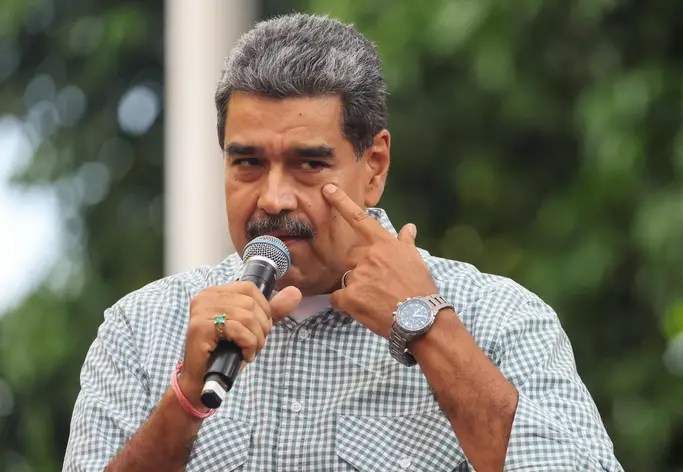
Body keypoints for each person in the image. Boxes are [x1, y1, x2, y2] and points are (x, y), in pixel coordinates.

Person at [62, 13, 623, 472]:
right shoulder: (141, 331)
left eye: (309, 164)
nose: (274, 198)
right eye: (248, 163)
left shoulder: (496, 317)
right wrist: (184, 399)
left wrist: (429, 328)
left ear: (373, 165)